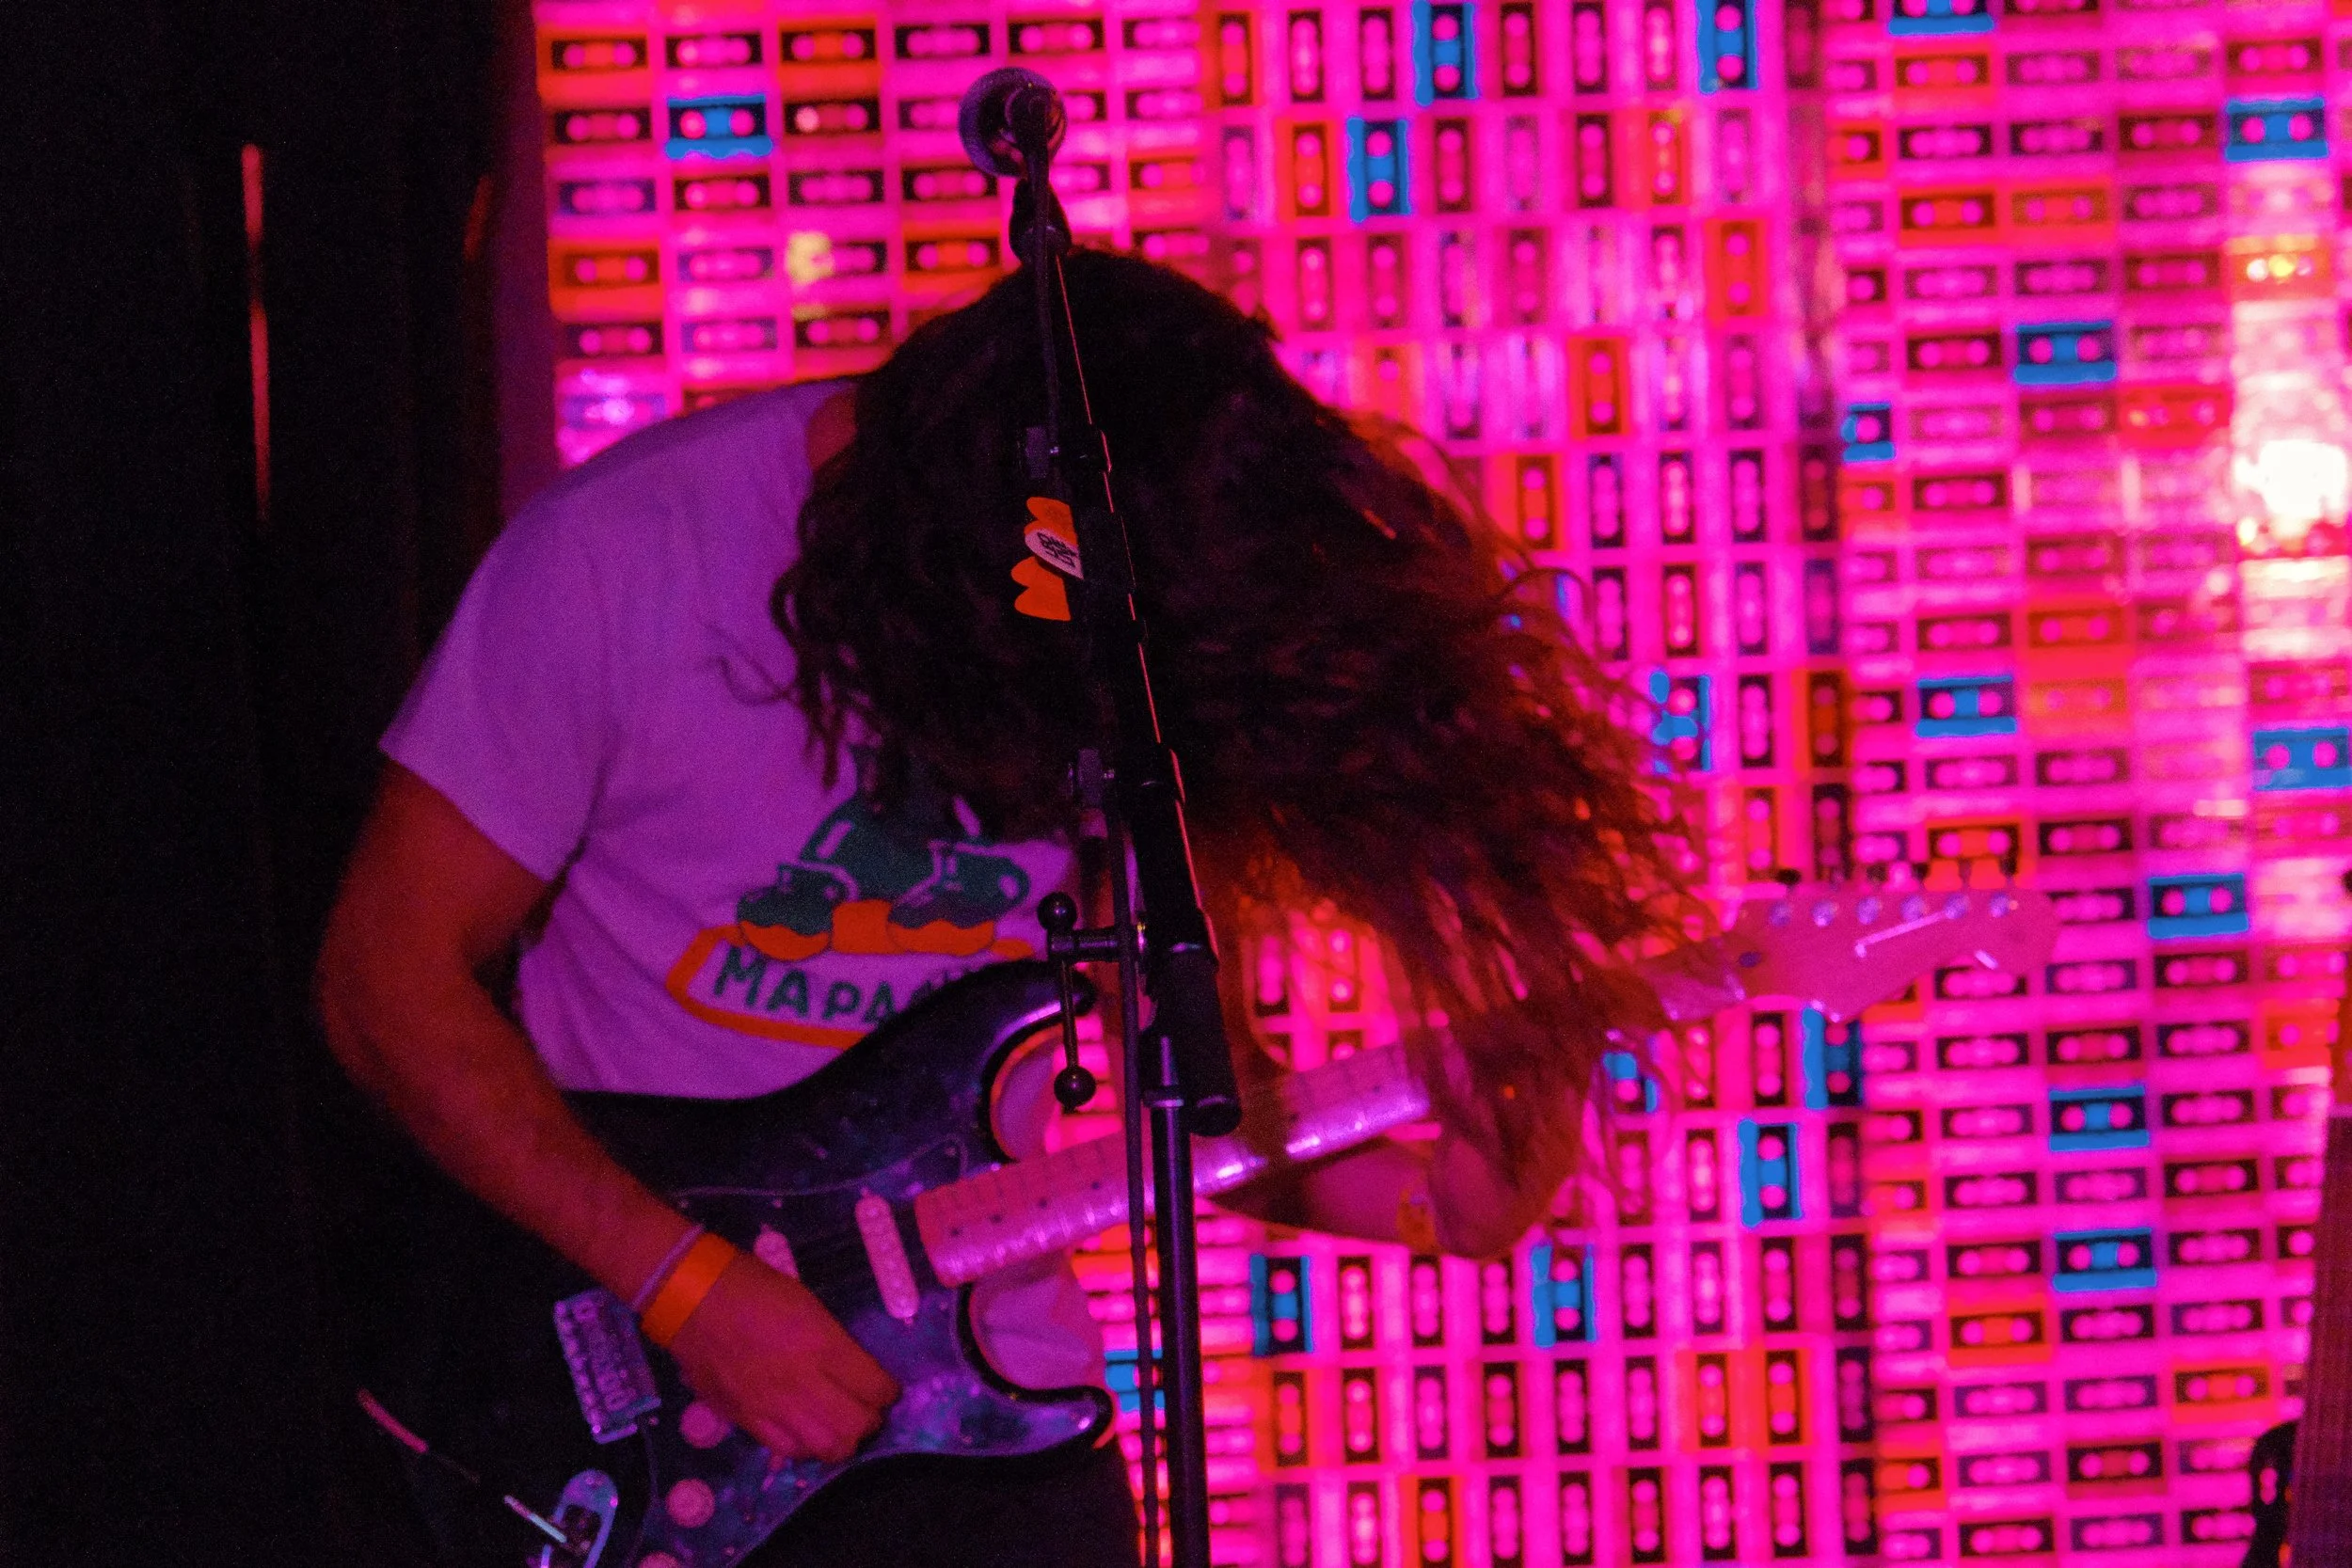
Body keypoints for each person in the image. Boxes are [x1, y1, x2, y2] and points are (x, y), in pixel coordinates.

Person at [316, 250, 1689, 1566]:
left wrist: (1434, 1202)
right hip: (636, 1370)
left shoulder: (1126, 629)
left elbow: (1191, 1092)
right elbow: (385, 982)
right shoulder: (630, 555)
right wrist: (684, 1284)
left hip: (972, 1402)